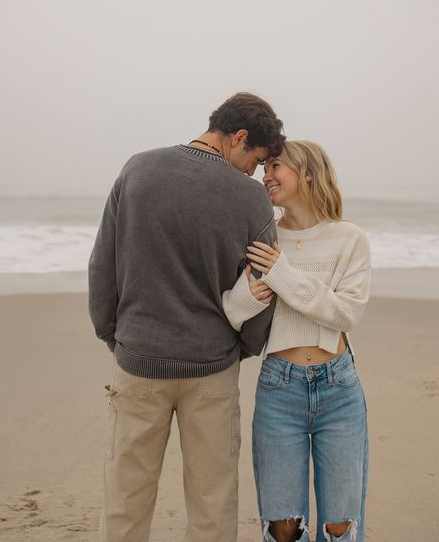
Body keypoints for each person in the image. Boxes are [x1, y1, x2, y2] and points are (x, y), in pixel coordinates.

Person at [88, 92, 285, 542]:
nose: (256, 173)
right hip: (212, 369)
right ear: (238, 138)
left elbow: (102, 265)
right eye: (256, 160)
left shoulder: (137, 169)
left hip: (137, 360)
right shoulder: (251, 199)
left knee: (125, 500)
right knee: (212, 503)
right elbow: (263, 284)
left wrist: (114, 338)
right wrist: (244, 346)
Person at [222, 140, 371, 542]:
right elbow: (234, 312)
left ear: (307, 172)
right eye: (265, 166)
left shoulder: (349, 238)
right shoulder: (265, 240)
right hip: (279, 388)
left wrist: (283, 276)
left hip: (339, 389)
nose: (265, 174)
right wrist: (250, 294)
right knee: (282, 526)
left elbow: (346, 314)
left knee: (340, 526)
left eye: (275, 166)